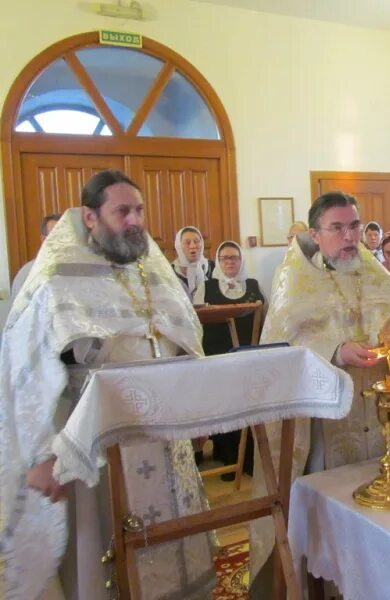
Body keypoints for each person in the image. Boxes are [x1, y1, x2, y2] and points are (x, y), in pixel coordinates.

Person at [0, 170, 215, 600]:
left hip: (162, 434)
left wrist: (198, 410)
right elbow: (25, 377)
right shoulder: (56, 278)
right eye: (122, 211)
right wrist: (42, 454)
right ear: (90, 217)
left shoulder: (153, 272)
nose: (135, 220)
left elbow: (186, 340)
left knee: (172, 550)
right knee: (104, 556)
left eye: (139, 211)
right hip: (95, 440)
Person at [251, 191, 390, 593]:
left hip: (379, 411)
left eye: (354, 225)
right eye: (337, 228)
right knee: (332, 508)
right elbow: (282, 344)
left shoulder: (373, 272)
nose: (350, 236)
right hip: (327, 417)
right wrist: (334, 349)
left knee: (385, 504)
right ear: (316, 233)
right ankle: (329, 584)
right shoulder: (293, 278)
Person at [201, 241, 266, 477]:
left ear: (241, 260)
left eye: (235, 257)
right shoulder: (206, 287)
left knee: (247, 409)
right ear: (217, 262)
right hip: (218, 358)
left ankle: (248, 460)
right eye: (225, 258)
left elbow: (264, 317)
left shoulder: (253, 285)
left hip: (248, 358)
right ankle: (227, 458)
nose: (230, 262)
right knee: (226, 410)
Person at [10, 213, 60, 302]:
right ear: (44, 239)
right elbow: (17, 312)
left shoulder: (77, 270)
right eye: (56, 235)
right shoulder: (27, 273)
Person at [172, 225, 214, 303]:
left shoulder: (214, 268)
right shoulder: (170, 272)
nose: (193, 246)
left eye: (196, 241)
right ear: (179, 246)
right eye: (187, 243)